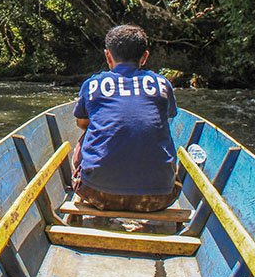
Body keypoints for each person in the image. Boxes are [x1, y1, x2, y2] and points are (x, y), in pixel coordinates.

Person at [71, 24, 181, 212]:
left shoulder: (92, 85)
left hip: (96, 193)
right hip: (159, 197)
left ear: (108, 56)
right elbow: (166, 117)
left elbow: (82, 123)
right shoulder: (163, 84)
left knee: (84, 139)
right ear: (145, 57)